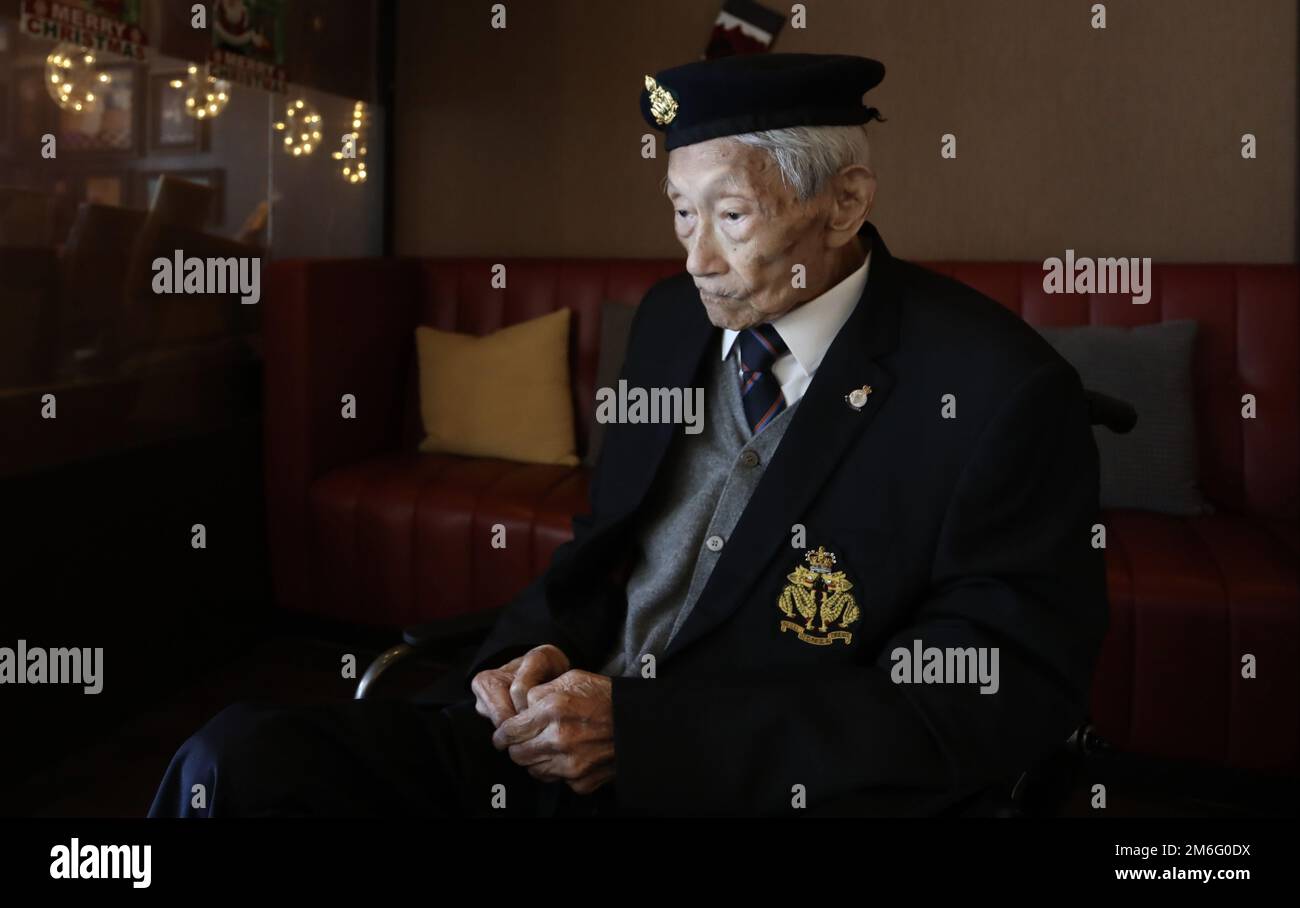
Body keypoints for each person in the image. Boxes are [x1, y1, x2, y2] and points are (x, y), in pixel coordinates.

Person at [149, 52, 1107, 818]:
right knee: (236, 762)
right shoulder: (670, 321)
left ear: (846, 203)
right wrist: (524, 665)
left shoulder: (998, 392)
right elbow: (609, 551)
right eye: (681, 213)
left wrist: (646, 734)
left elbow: (981, 701)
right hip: (538, 748)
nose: (696, 259)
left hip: (733, 788)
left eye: (731, 216)